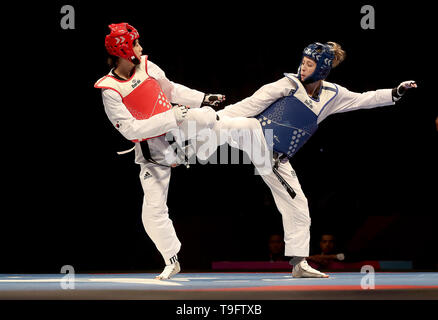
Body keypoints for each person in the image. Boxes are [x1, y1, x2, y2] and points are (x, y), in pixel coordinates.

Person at [217, 41, 417, 278]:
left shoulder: (332, 95)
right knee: (235, 123)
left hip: (276, 160)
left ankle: (299, 263)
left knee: (299, 206)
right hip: (257, 136)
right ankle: (179, 127)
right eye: (303, 62)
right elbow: (248, 105)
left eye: (309, 64)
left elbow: (363, 99)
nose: (303, 67)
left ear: (322, 69)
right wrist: (215, 117)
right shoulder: (287, 84)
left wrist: (395, 93)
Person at [94, 23, 225, 280]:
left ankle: (236, 127)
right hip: (152, 150)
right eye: (135, 44)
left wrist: (202, 98)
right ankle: (171, 259)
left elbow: (171, 89)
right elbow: (131, 130)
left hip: (180, 129)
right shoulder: (110, 89)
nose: (141, 48)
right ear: (123, 51)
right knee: (152, 212)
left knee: (209, 117)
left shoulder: (147, 65)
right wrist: (171, 117)